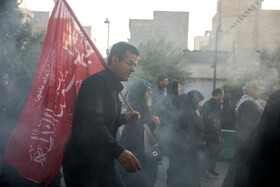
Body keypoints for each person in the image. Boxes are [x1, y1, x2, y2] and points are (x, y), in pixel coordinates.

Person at [62, 42, 141, 187]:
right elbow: (92, 120)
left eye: (135, 65)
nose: (133, 69)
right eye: (130, 63)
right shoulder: (96, 83)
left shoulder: (114, 88)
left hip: (104, 161)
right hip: (84, 165)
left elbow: (106, 122)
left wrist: (124, 118)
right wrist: (118, 151)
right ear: (115, 60)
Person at [119, 79, 160, 187]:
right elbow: (135, 136)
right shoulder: (133, 111)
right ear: (140, 92)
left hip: (147, 159)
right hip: (137, 161)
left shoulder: (145, 108)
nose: (150, 93)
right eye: (148, 90)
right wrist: (152, 124)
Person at [166, 90, 204, 187]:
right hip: (185, 153)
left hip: (183, 152)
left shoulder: (186, 111)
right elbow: (197, 130)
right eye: (199, 101)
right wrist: (199, 118)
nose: (200, 104)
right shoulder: (190, 114)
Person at [153, 80, 181, 187]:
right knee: (175, 163)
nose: (180, 89)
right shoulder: (178, 101)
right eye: (178, 87)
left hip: (165, 134)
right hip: (175, 135)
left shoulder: (163, 100)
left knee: (170, 162)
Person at [201, 88, 224, 176]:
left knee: (207, 152)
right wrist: (220, 136)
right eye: (222, 95)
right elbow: (216, 120)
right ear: (218, 94)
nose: (222, 97)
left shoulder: (206, 103)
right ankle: (208, 170)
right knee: (213, 152)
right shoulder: (216, 104)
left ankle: (208, 170)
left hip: (206, 131)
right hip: (213, 132)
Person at [234, 81, 263, 150]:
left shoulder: (246, 102)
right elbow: (249, 126)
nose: (260, 92)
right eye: (258, 90)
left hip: (244, 140)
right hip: (248, 142)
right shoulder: (249, 104)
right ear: (251, 91)